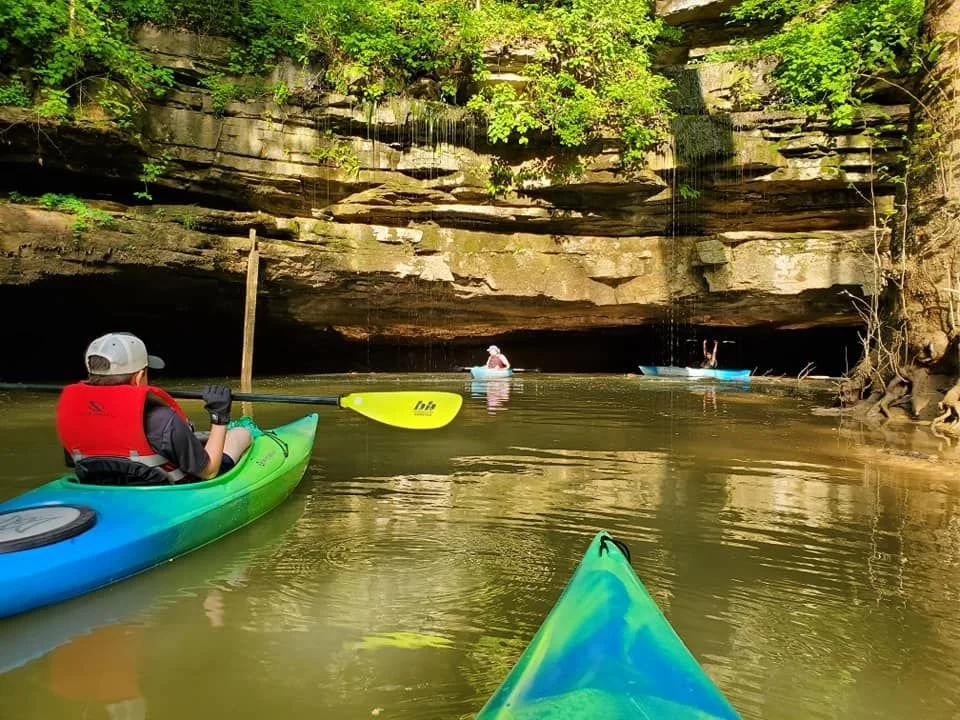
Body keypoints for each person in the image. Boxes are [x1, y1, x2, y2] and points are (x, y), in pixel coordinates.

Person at [56, 332, 252, 485]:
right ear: (139, 377)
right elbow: (208, 471)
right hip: (163, 489)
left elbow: (76, 462)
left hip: (100, 485)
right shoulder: (161, 419)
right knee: (240, 433)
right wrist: (219, 415)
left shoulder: (71, 413)